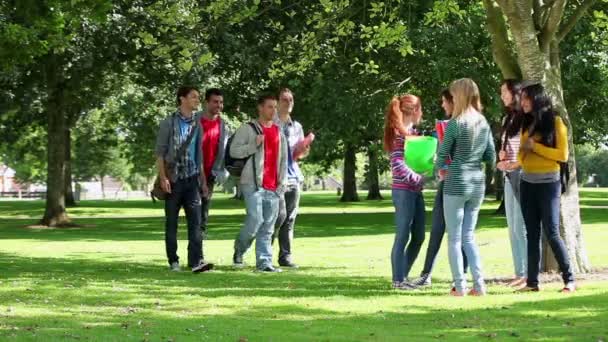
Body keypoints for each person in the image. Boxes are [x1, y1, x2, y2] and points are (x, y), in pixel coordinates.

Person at [436, 78, 495, 296]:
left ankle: (459, 286)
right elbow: (490, 155)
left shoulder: (455, 123)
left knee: (454, 238)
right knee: (469, 236)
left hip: (456, 183)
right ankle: (479, 285)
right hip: (477, 183)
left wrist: (438, 169)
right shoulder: (483, 122)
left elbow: (442, 156)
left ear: (458, 96)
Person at [517, 83, 575, 293]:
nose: (522, 102)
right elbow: (522, 156)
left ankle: (569, 279)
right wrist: (519, 155)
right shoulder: (526, 123)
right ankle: (532, 283)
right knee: (531, 234)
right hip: (527, 183)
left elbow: (562, 156)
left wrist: (536, 147)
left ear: (537, 99)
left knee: (551, 232)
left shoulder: (556, 122)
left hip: (548, 184)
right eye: (521, 98)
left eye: (526, 98)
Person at [154, 85, 213, 273]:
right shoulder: (168, 123)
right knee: (171, 223)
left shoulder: (198, 125)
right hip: (173, 181)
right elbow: (160, 154)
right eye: (194, 97)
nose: (197, 100)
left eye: (198, 97)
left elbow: (199, 157)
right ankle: (174, 261)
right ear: (182, 99)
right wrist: (163, 178)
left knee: (196, 223)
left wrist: (203, 182)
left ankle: (195, 261)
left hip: (192, 180)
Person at [412, 89, 468, 287]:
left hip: (460, 184)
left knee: (461, 233)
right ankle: (426, 274)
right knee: (436, 229)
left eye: (445, 101)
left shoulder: (466, 124)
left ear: (454, 102)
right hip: (445, 183)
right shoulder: (445, 126)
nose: (443, 105)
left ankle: (461, 277)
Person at [232, 94, 288, 272]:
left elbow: (284, 160)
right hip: (252, 184)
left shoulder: (279, 132)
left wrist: (282, 183)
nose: (273, 111)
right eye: (270, 107)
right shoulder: (248, 129)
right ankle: (239, 250)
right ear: (260, 108)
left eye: (275, 107)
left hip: (273, 186)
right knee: (255, 221)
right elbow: (234, 151)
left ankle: (264, 263)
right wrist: (253, 146)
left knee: (268, 227)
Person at [383, 94, 426, 290]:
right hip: (403, 191)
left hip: (416, 191)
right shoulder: (399, 134)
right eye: (420, 109)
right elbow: (397, 163)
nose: (422, 113)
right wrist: (417, 178)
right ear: (413, 110)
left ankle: (403, 276)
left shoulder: (414, 133)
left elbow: (415, 161)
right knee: (402, 235)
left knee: (418, 236)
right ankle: (398, 280)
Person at [496, 80, 527, 287]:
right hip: (509, 176)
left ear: (515, 93)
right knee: (512, 227)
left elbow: (529, 150)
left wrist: (514, 163)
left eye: (504, 93)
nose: (502, 97)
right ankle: (519, 272)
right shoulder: (509, 118)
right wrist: (502, 155)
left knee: (522, 226)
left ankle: (527, 273)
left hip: (523, 175)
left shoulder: (527, 119)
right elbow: (508, 146)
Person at [273, 88, 308, 268]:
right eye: (284, 100)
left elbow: (298, 155)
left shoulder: (297, 127)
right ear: (278, 103)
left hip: (293, 177)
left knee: (290, 218)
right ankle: (264, 254)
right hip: (275, 178)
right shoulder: (270, 124)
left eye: (291, 100)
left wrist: (303, 150)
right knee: (277, 217)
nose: (288, 103)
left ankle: (285, 257)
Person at [199, 88, 229, 243]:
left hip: (211, 173)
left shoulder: (222, 124)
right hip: (192, 171)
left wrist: (220, 171)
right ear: (207, 103)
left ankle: (200, 236)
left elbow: (222, 150)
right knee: (193, 207)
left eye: (221, 102)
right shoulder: (195, 120)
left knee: (204, 206)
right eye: (215, 102)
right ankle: (195, 236)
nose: (219, 105)